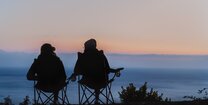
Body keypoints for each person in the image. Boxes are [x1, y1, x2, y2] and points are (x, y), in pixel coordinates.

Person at [70, 39, 111, 104]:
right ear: (95, 46)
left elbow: (77, 70)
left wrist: (73, 75)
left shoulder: (82, 57)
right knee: (97, 81)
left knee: (94, 81)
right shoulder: (101, 55)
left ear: (86, 47)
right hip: (102, 82)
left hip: (88, 82)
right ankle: (96, 100)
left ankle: (96, 100)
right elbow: (108, 70)